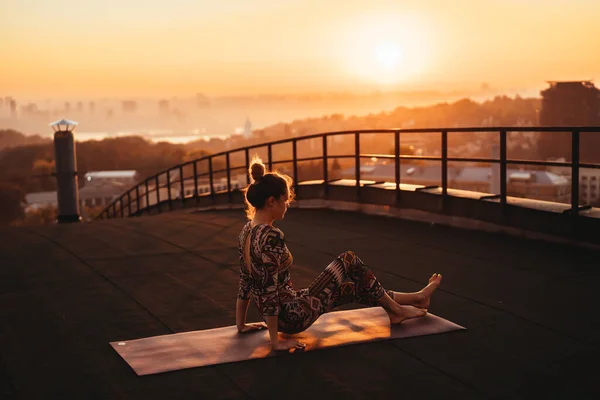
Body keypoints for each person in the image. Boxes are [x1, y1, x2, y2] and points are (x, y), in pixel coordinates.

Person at [235, 157, 442, 352]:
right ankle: (397, 310)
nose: (287, 204)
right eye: (285, 200)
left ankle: (416, 299)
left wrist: (241, 324)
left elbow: (246, 281)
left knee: (349, 288)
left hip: (285, 309)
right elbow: (270, 289)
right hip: (291, 315)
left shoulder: (247, 230)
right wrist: (274, 342)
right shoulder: (271, 236)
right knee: (348, 259)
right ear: (271, 201)